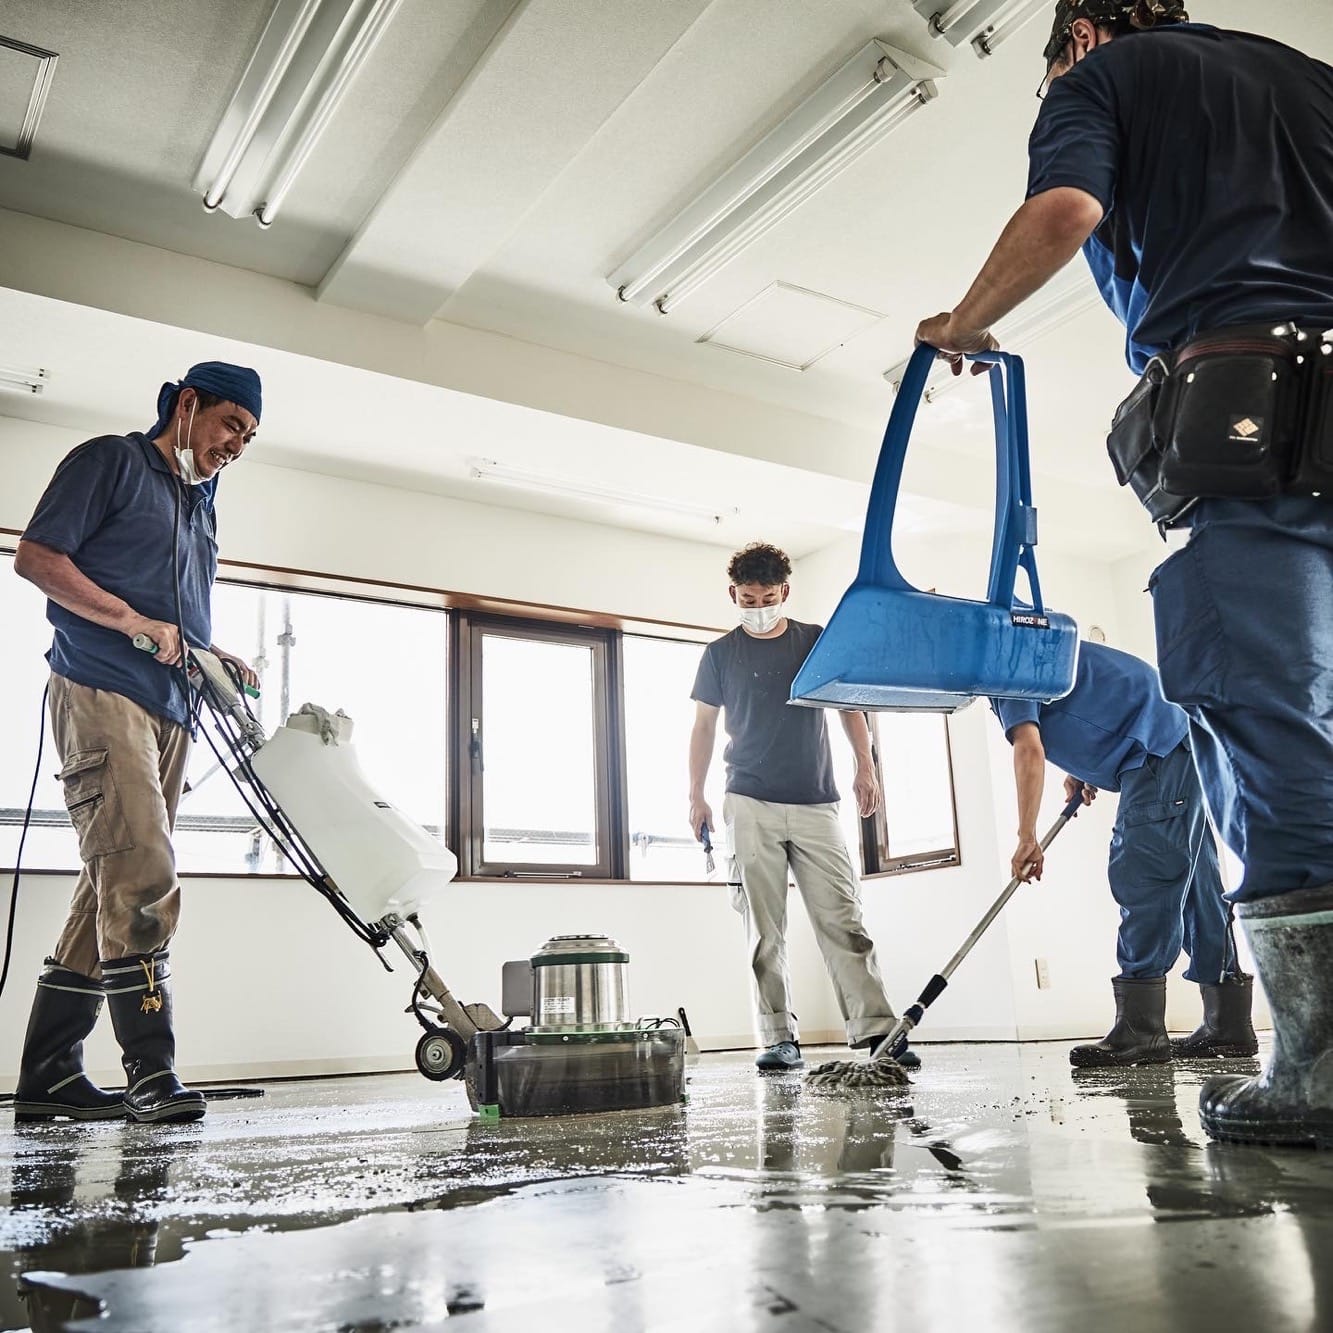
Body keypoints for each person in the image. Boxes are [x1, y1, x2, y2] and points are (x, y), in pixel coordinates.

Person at [915, 2, 1333, 1146]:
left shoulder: (1103, 79)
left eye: (1051, 62)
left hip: (1258, 428)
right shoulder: (1304, 75)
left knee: (1272, 717)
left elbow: (1066, 210)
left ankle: (1323, 1075)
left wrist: (964, 321)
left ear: (1082, 33)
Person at [12, 362, 262, 1125]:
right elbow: (38, 557)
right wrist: (129, 622)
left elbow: (175, 610)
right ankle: (151, 1070)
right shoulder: (111, 462)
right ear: (188, 405)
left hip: (172, 705)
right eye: (230, 425)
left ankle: (50, 1076)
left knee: (110, 883)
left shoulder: (199, 502)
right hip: (100, 686)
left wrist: (212, 655)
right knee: (143, 869)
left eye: (248, 437)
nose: (236, 446)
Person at [687, 542, 916, 1072]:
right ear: (733, 595)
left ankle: (875, 1031)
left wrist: (866, 765)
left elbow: (847, 704)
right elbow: (702, 728)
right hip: (748, 800)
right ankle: (776, 1038)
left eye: (767, 596)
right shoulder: (720, 654)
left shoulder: (813, 642)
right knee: (764, 929)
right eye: (748, 598)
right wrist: (694, 794)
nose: (758, 606)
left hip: (816, 802)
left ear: (785, 591)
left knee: (844, 918)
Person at [992, 639, 1252, 1067]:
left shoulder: (1000, 664)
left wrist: (1026, 836)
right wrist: (1080, 770)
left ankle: (1140, 1032)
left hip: (1157, 754)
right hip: (1183, 743)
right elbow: (1094, 708)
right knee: (1198, 887)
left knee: (1145, 873)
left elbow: (1029, 748)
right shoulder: (1037, 646)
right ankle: (1229, 1026)